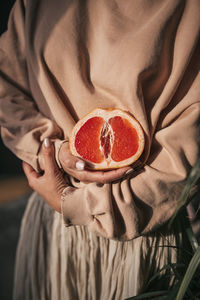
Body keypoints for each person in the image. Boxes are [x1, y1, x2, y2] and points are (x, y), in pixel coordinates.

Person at [0, 0, 199, 299]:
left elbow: (187, 154)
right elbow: (7, 88)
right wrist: (54, 153)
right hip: (57, 233)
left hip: (147, 241)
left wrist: (76, 204)